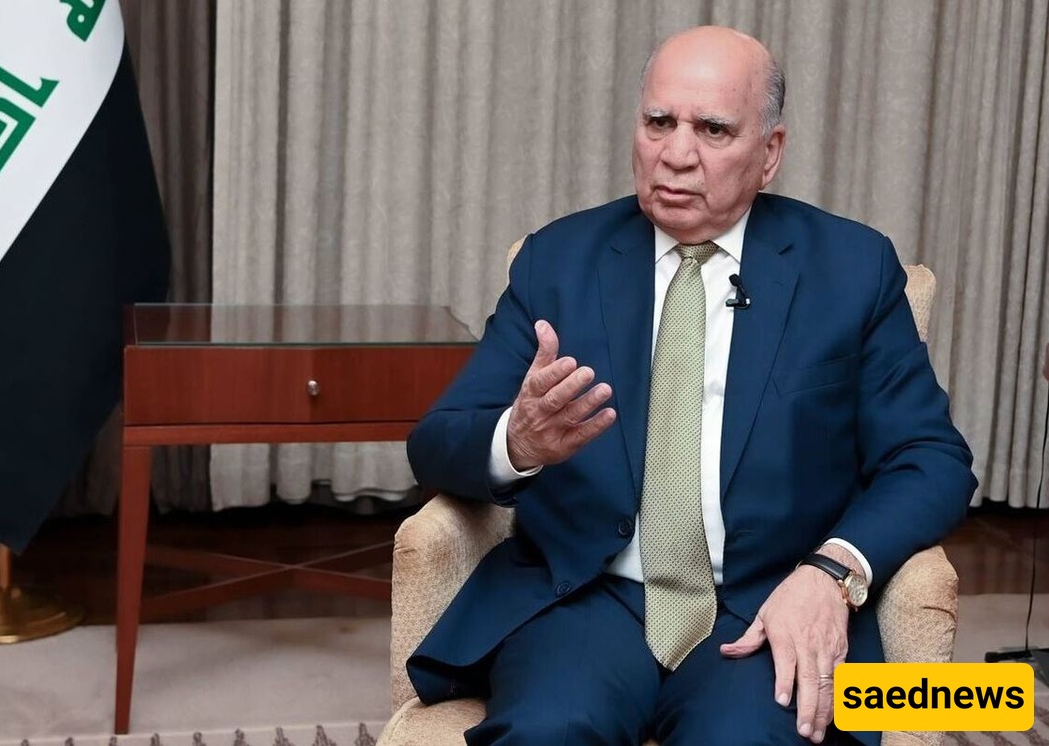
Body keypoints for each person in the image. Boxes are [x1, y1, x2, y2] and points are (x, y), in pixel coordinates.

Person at [404, 25, 976, 746]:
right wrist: (516, 443)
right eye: (658, 122)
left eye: (712, 129)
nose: (676, 154)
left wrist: (832, 571)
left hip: (768, 602)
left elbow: (931, 458)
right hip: (587, 598)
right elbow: (436, 443)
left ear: (770, 152)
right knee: (546, 730)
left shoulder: (852, 270)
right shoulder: (559, 261)